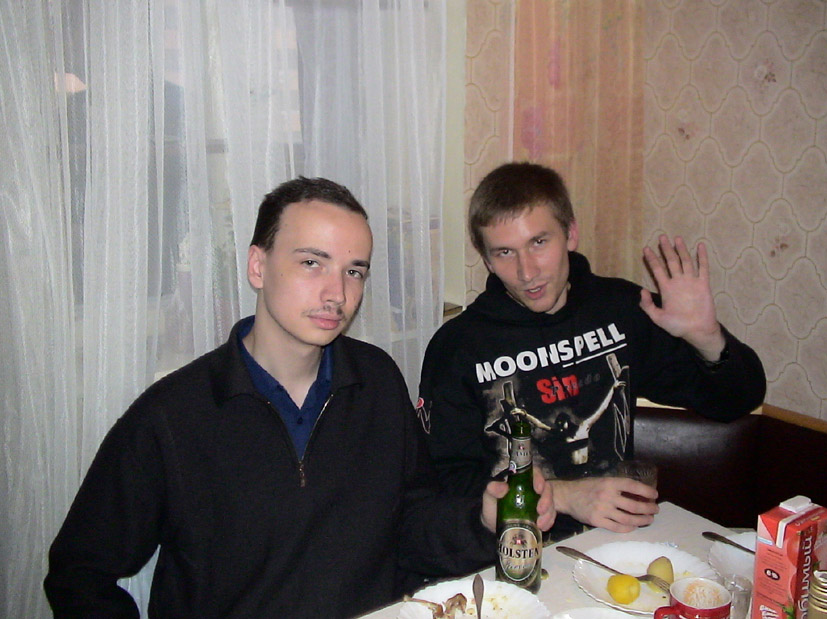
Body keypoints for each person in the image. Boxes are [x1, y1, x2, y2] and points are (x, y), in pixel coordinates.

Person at [44, 177, 555, 618]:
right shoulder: (173, 416)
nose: (338, 293)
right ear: (258, 266)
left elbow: (412, 523)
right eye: (312, 262)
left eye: (354, 271)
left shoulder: (377, 380)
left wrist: (481, 520)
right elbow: (79, 574)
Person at [418, 162, 765, 542]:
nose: (527, 271)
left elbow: (735, 401)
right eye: (504, 252)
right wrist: (562, 496)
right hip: (515, 549)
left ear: (571, 233)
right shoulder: (458, 347)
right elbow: (446, 482)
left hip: (616, 541)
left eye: (539, 242)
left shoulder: (622, 310)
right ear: (486, 259)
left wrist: (707, 337)